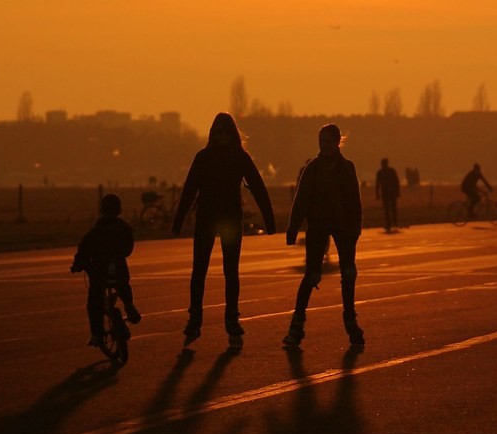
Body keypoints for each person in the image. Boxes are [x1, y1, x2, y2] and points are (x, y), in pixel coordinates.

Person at [172, 112, 276, 348]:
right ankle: (195, 318)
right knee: (199, 269)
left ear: (232, 133)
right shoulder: (203, 157)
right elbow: (189, 190)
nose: (221, 136)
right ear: (212, 133)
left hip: (230, 219)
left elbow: (258, 187)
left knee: (231, 270)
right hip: (207, 218)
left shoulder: (240, 157)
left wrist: (270, 221)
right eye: (217, 131)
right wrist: (178, 222)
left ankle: (231, 319)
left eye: (225, 131)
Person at [283, 123, 364, 348]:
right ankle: (296, 325)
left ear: (337, 142)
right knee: (312, 275)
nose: (324, 146)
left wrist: (356, 229)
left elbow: (354, 202)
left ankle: (350, 322)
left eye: (328, 142)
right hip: (318, 225)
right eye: (321, 142)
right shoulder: (313, 168)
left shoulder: (347, 168)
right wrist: (293, 226)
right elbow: (301, 199)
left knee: (348, 272)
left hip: (343, 226)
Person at [70, 193, 141, 347]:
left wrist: (77, 264)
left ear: (102, 210)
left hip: (99, 272)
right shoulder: (124, 228)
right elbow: (128, 249)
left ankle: (97, 334)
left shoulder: (96, 231)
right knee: (124, 287)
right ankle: (129, 306)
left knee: (94, 302)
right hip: (119, 268)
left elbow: (83, 249)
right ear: (119, 210)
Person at [375, 157, 401, 233]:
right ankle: (393, 223)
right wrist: (397, 192)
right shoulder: (391, 171)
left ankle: (390, 224)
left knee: (389, 209)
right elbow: (397, 182)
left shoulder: (380, 172)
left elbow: (378, 184)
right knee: (392, 209)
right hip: (390, 193)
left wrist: (377, 194)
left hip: (386, 193)